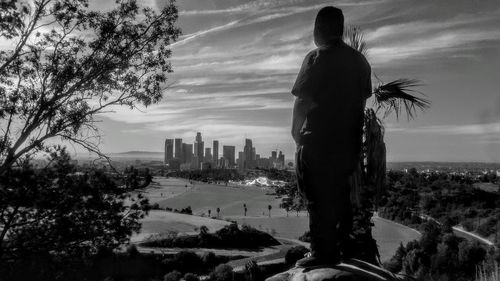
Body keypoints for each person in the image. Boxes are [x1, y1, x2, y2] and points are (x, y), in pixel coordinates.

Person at [292, 6, 372, 267]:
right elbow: (361, 103)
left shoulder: (316, 58)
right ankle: (342, 249)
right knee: (339, 194)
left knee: (316, 197)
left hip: (317, 141)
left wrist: (296, 132)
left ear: (319, 30)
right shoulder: (360, 61)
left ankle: (320, 252)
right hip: (348, 143)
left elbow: (303, 100)